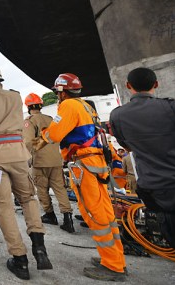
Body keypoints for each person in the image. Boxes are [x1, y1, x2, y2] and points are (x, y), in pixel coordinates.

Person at [109, 67, 175, 284]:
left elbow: (125, 146)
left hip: (157, 193)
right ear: (156, 84)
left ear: (128, 86)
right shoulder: (174, 107)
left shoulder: (118, 115)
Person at [39, 73, 126, 281]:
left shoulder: (69, 106)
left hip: (85, 164)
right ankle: (115, 259)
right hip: (96, 163)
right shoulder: (87, 105)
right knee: (105, 213)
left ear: (61, 91)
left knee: (94, 214)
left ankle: (113, 266)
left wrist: (44, 135)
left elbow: (56, 134)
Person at [0, 64, 52, 280]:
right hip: (19, 153)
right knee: (28, 199)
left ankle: (20, 259)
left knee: (4, 206)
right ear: (0, 81)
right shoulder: (15, 97)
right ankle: (39, 247)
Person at [22, 93, 75, 233]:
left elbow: (27, 142)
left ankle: (50, 215)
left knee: (42, 189)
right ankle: (68, 218)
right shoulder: (51, 119)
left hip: (40, 161)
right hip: (56, 160)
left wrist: (29, 154)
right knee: (60, 189)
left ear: (28, 106)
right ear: (41, 105)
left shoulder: (30, 121)